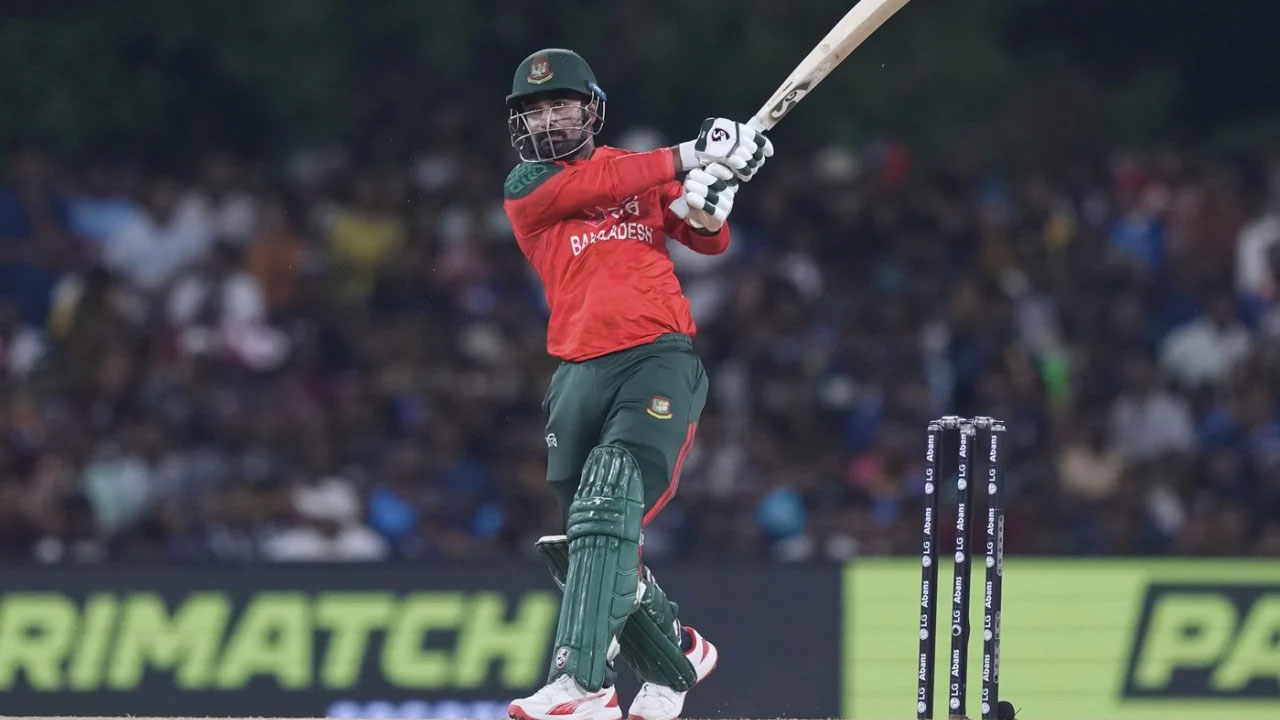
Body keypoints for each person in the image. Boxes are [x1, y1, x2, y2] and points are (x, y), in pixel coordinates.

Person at [501, 48, 772, 720]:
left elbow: (705, 239)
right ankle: (678, 655)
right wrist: (693, 153)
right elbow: (603, 184)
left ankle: (583, 684)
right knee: (587, 541)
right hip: (576, 370)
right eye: (535, 109)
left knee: (608, 499)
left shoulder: (636, 170)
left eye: (561, 104)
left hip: (654, 355)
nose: (548, 117)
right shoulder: (526, 186)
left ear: (591, 109)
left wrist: (710, 204)